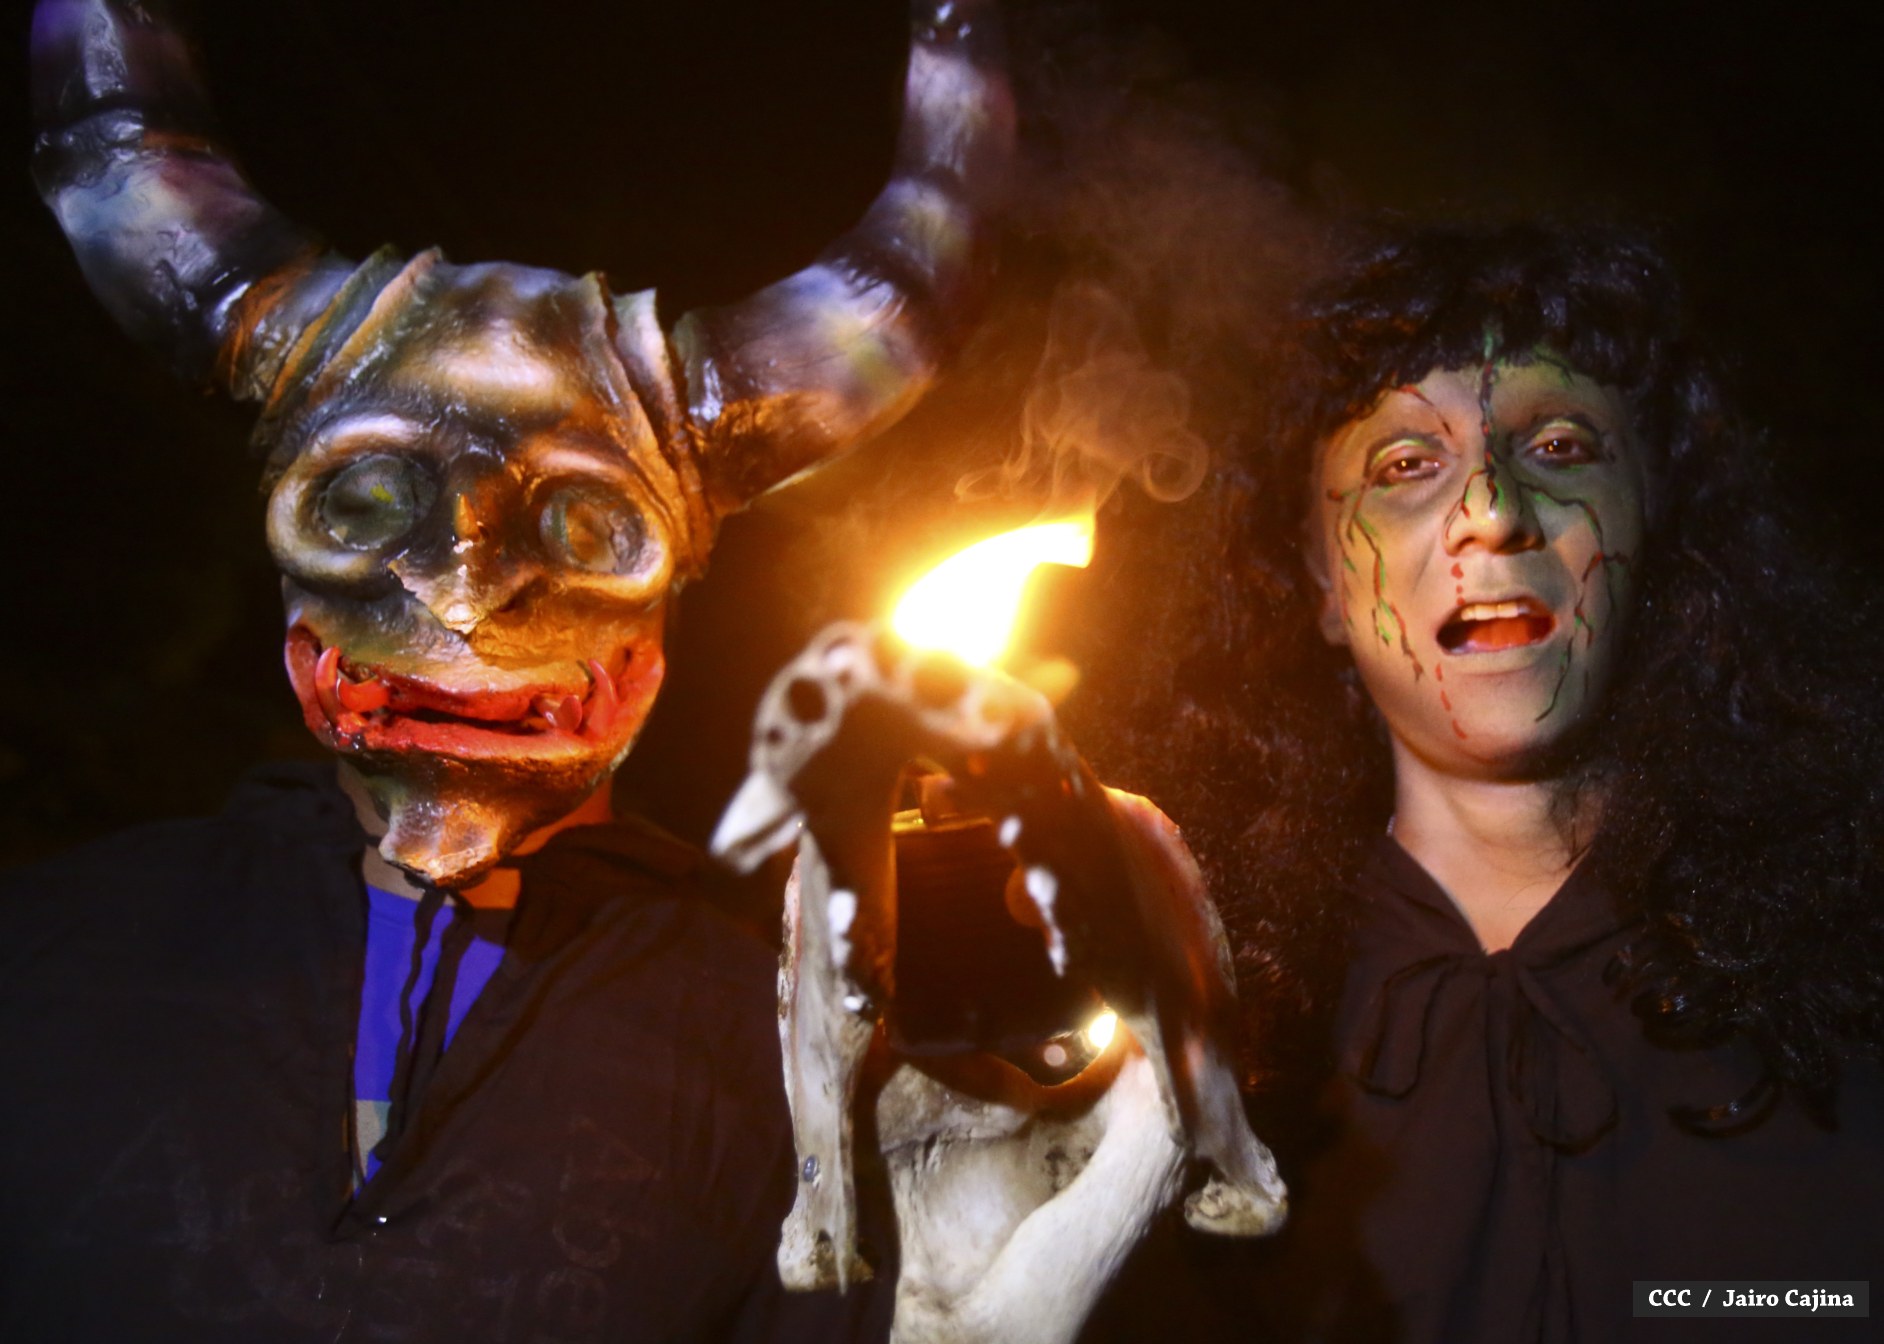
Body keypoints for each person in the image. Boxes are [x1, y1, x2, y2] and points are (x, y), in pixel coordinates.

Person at [1, 0, 1006, 1339]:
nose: (468, 587)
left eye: (587, 525)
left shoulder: (795, 1051)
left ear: (661, 611)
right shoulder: (50, 951)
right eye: (369, 500)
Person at [1082, 221, 1884, 1342]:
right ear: (1319, 583)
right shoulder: (1189, 1038)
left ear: (1654, 517)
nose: (1494, 513)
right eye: (1407, 466)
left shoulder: (1849, 986)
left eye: (1558, 445)